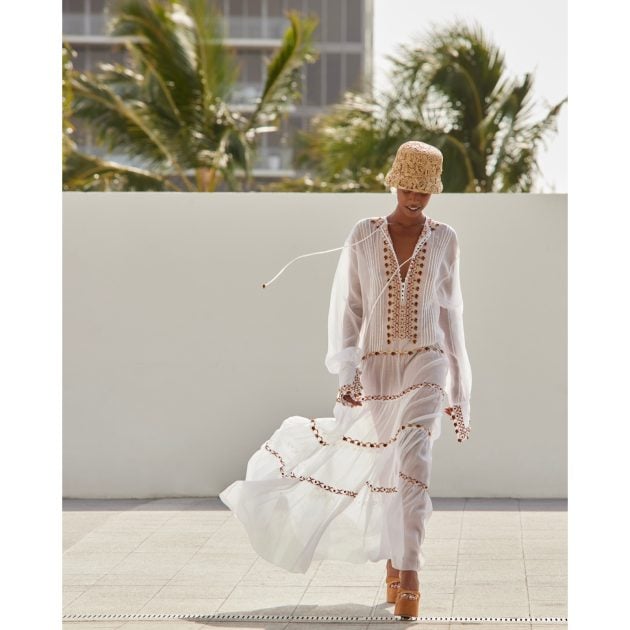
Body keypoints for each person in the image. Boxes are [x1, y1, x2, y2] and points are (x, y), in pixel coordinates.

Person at [219, 140, 472, 620]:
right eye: (409, 187)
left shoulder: (445, 238)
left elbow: (450, 313)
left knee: (415, 462)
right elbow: (352, 307)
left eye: (425, 190)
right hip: (376, 366)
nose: (416, 198)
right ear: (394, 182)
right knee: (388, 471)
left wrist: (459, 388)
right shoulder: (363, 233)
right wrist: (349, 368)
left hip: (427, 362)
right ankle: (395, 559)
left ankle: (412, 573)